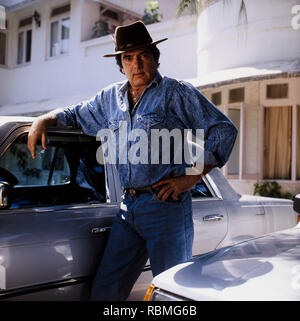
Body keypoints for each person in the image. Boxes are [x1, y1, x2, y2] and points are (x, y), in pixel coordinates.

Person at [27, 21, 237, 301]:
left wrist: (193, 176)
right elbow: (75, 115)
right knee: (106, 290)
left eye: (142, 56)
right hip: (128, 208)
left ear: (154, 57)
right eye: (128, 58)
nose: (136, 64)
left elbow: (222, 130)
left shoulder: (175, 92)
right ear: (121, 64)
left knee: (170, 294)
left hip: (166, 208)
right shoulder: (110, 98)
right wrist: (43, 119)